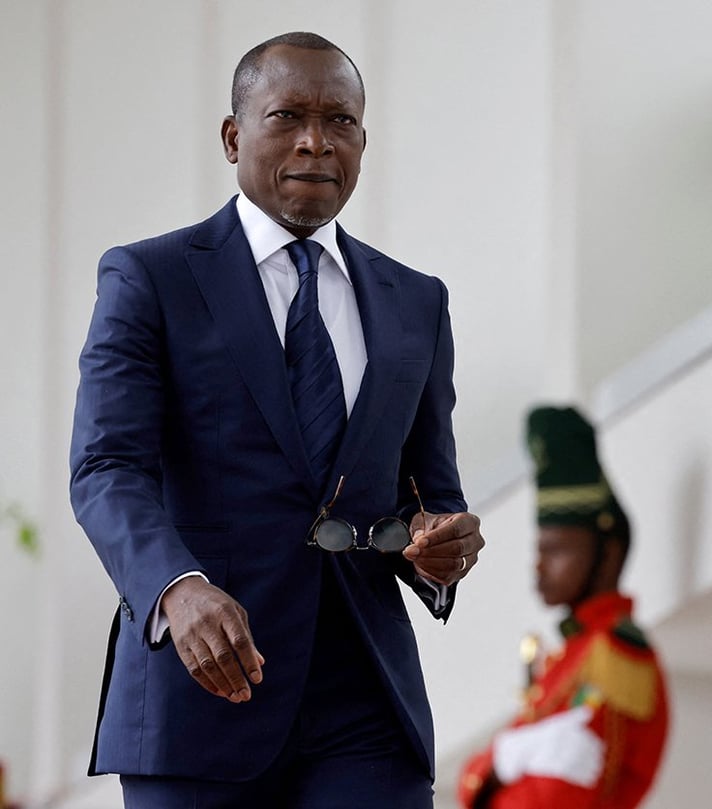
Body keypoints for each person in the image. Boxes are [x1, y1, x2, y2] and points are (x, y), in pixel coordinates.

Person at [69, 31, 485, 809]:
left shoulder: (417, 303)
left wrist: (439, 541)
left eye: (340, 122)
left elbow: (429, 493)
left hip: (365, 700)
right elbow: (105, 468)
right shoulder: (150, 278)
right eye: (286, 115)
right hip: (204, 689)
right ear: (233, 136)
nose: (315, 141)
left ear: (364, 137)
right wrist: (177, 587)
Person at [457, 406, 670, 808]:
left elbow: (562, 792)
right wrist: (506, 758)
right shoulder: (570, 657)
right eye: (540, 550)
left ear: (608, 554)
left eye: (557, 550)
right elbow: (473, 779)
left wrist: (504, 762)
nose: (540, 566)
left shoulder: (617, 657)